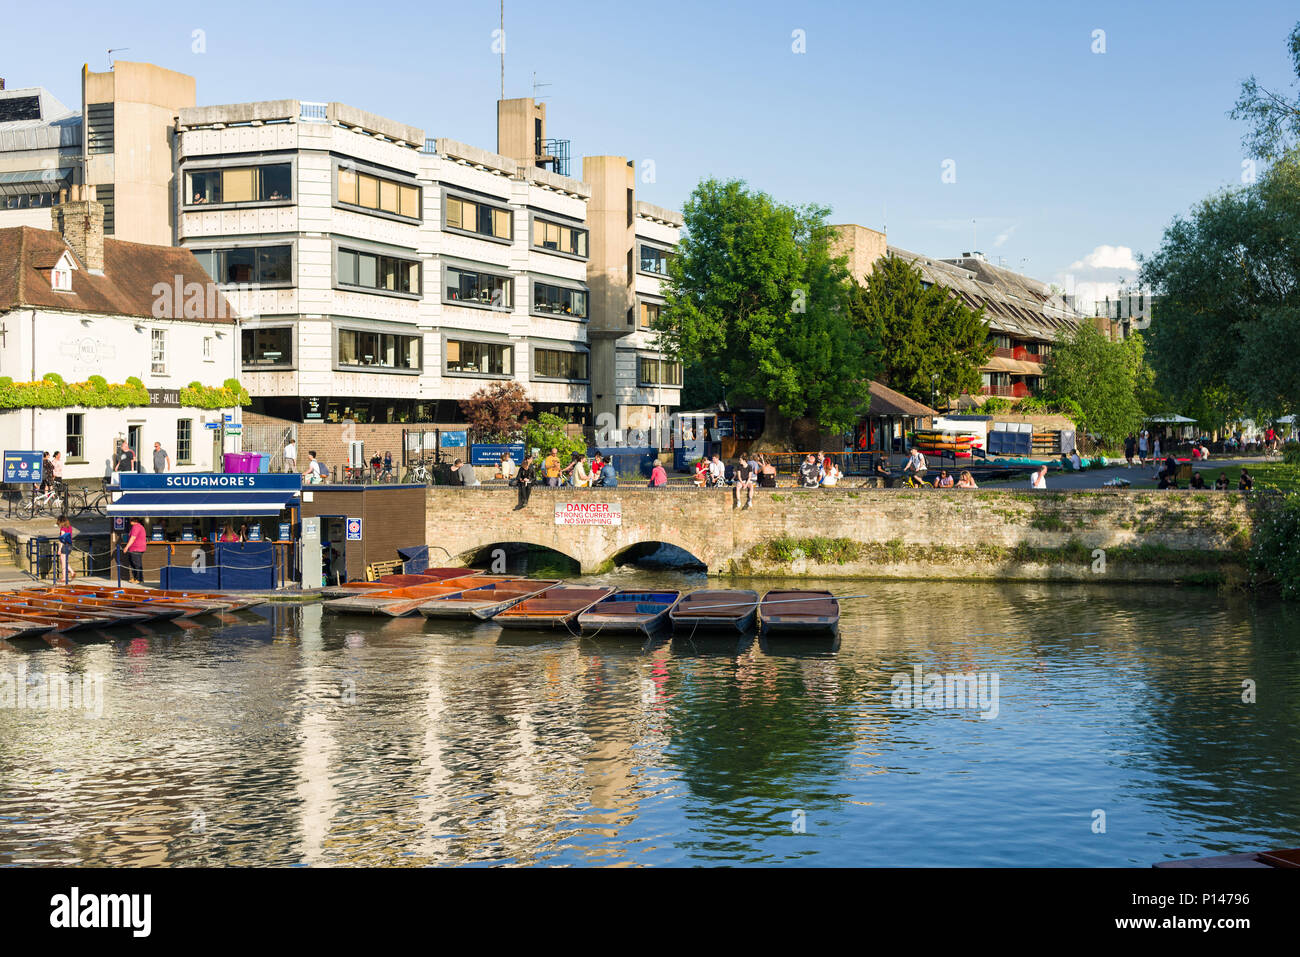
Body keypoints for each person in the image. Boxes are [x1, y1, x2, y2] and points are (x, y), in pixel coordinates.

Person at [124, 517, 147, 584]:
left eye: (130, 520)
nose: (129, 521)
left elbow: (133, 538)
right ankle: (135, 578)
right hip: (135, 548)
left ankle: (139, 579)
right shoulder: (139, 526)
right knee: (133, 564)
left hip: (136, 548)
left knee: (137, 564)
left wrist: (126, 547)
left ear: (133, 521)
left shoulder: (136, 527)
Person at [56, 514, 76, 585]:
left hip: (64, 546)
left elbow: (62, 539)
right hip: (70, 545)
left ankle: (66, 576)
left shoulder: (62, 529)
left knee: (63, 562)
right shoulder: (70, 527)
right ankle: (69, 573)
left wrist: (59, 549)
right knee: (64, 561)